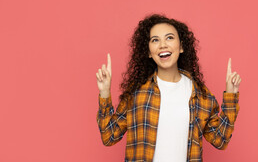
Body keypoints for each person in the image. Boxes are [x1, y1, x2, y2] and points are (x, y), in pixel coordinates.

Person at [96, 14, 241, 162]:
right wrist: (105, 91)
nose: (163, 45)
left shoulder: (200, 94)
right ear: (148, 52)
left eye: (169, 38)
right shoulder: (137, 93)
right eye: (155, 40)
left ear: (182, 47)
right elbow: (109, 136)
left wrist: (231, 95)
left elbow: (220, 140)